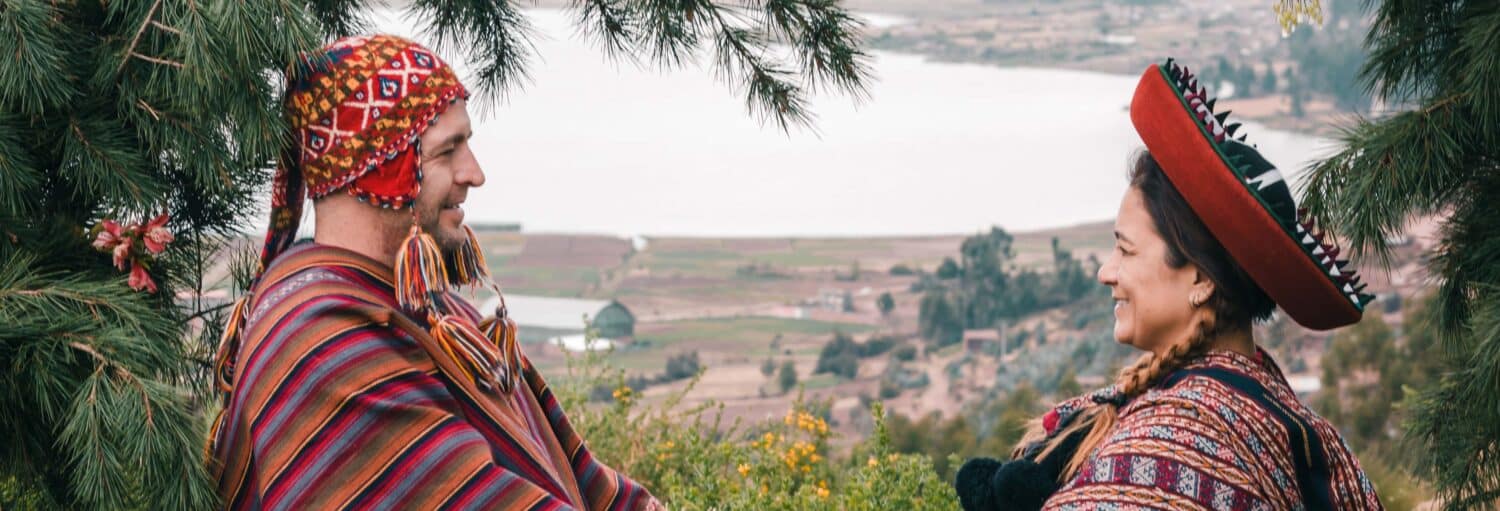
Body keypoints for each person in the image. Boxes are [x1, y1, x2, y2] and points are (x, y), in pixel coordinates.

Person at [206, 34, 661, 510]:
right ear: (379, 169)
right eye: (448, 151)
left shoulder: (434, 313)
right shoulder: (319, 345)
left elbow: (580, 476)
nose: (474, 173)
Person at [955, 59, 1384, 510]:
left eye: (1125, 249)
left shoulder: (1171, 442)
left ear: (1200, 279)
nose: (1106, 272)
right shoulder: (1302, 432)